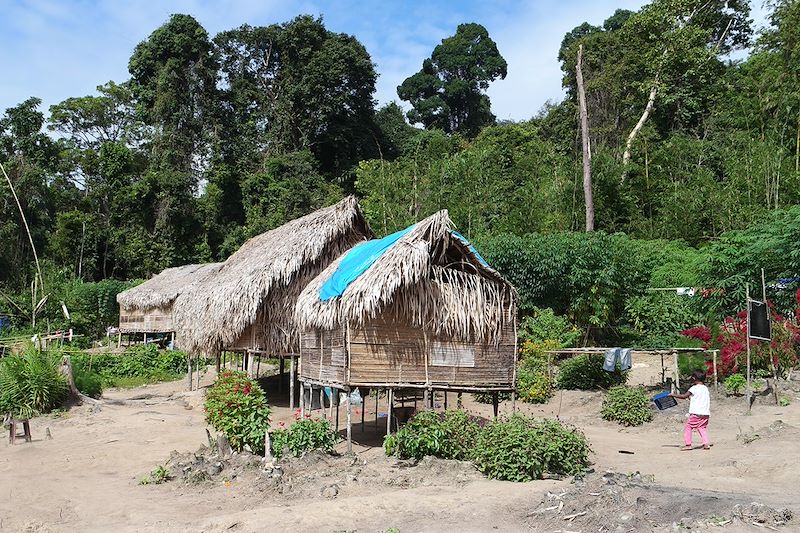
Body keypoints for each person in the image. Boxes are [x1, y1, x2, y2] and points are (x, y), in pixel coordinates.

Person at [671, 370, 711, 451]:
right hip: (705, 413)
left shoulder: (694, 388)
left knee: (688, 427)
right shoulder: (705, 388)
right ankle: (706, 443)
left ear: (694, 378)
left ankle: (688, 444)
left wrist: (673, 395)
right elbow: (699, 398)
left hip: (696, 413)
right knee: (701, 427)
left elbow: (684, 396)